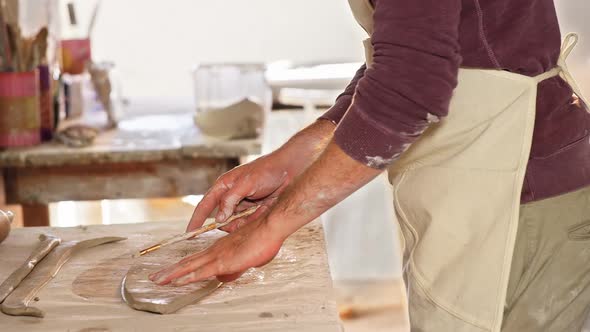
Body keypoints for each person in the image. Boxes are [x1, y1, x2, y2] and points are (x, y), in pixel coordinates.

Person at [150, 1, 590, 330]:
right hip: (483, 189)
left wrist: (269, 228)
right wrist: (293, 157)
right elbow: (412, 58)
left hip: (520, 198)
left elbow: (410, 89)